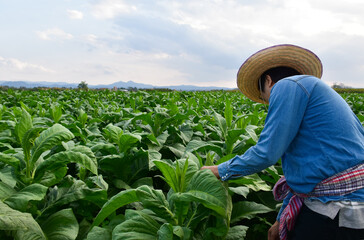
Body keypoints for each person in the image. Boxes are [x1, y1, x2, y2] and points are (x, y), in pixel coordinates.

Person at [201, 44, 364, 240]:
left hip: (338, 207)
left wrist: (219, 170)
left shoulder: (287, 86)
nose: (268, 104)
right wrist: (281, 218)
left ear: (268, 81)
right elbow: (302, 176)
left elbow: (266, 153)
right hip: (347, 203)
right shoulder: (313, 92)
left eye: (264, 98)